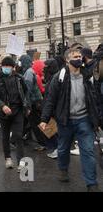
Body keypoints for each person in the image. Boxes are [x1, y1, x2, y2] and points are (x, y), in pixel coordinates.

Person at [40, 48, 101, 192]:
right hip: (65, 121)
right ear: (67, 60)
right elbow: (50, 100)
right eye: (75, 56)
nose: (79, 58)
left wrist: (97, 119)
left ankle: (91, 183)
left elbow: (95, 98)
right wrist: (44, 119)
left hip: (84, 120)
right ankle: (63, 169)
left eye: (80, 56)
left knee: (88, 152)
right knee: (63, 149)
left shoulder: (88, 75)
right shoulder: (59, 77)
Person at [0, 56, 30, 171]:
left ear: (13, 67)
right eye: (4, 66)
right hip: (3, 113)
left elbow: (26, 91)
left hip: (18, 111)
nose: (6, 68)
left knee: (18, 136)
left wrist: (27, 105)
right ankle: (7, 158)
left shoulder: (19, 78)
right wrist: (2, 106)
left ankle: (21, 162)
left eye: (9, 66)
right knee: (5, 137)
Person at [19, 55, 47, 151]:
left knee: (36, 124)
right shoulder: (30, 71)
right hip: (37, 101)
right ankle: (50, 141)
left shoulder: (28, 73)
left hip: (34, 102)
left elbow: (28, 91)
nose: (20, 64)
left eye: (21, 62)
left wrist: (27, 105)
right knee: (39, 122)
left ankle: (44, 143)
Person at [42, 59, 60, 159]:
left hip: (52, 109)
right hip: (50, 108)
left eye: (46, 66)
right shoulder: (52, 77)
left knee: (52, 130)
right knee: (50, 130)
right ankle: (56, 149)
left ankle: (57, 149)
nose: (44, 68)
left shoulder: (54, 78)